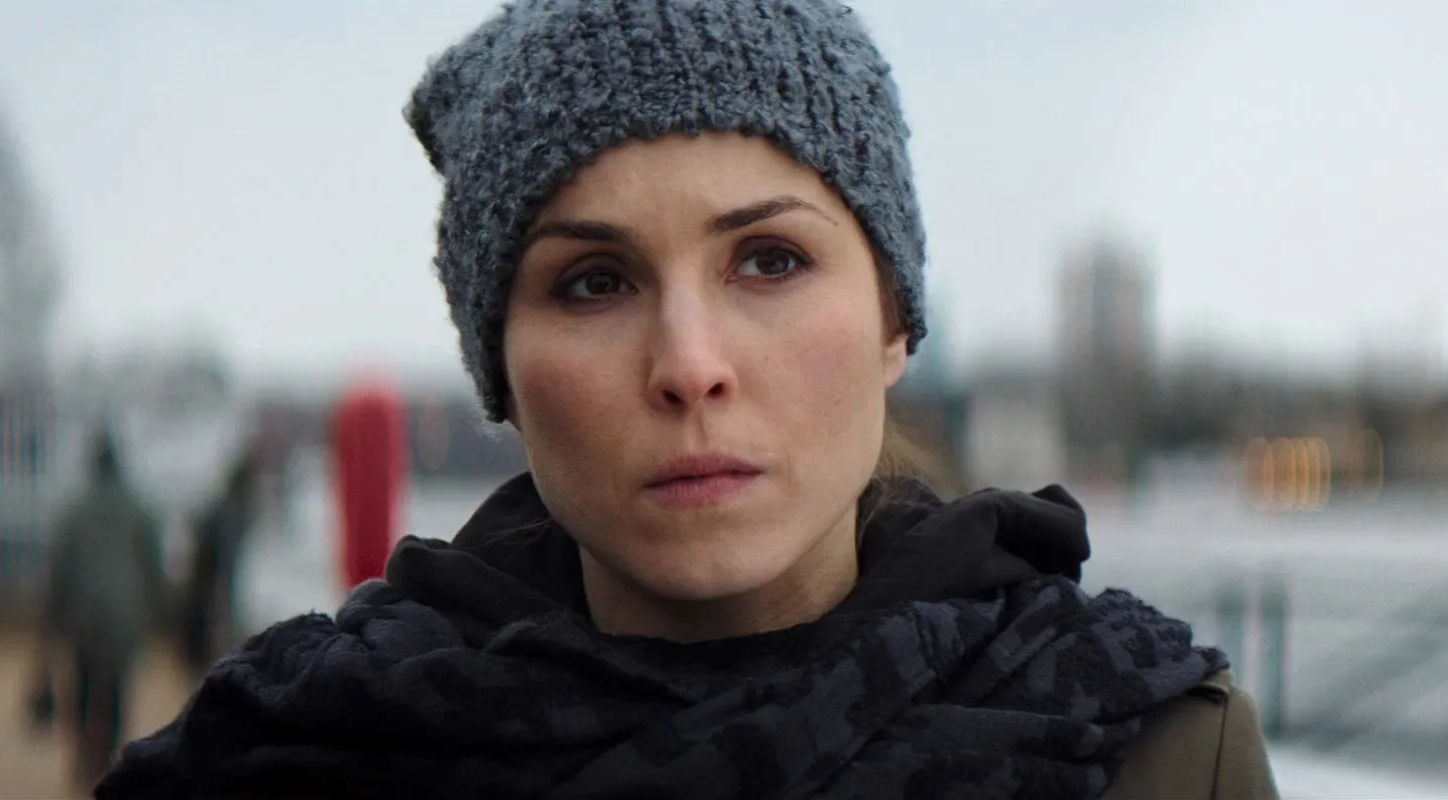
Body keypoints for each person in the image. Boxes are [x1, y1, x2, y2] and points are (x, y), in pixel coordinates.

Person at [97, 2, 1279, 798]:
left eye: (769, 259)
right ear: (501, 369)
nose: (689, 362)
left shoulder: (1149, 752)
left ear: (895, 321)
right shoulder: (299, 751)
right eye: (594, 281)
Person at [33, 428, 168, 794]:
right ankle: (109, 759)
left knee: (84, 685)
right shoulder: (140, 509)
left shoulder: (75, 512)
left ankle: (84, 757)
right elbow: (155, 568)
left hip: (84, 619)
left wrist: (52, 620)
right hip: (127, 620)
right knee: (117, 691)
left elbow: (60, 571)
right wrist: (163, 614)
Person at [178, 444, 265, 677]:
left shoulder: (222, 506)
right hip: (208, 605)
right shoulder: (232, 512)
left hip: (201, 600)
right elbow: (224, 570)